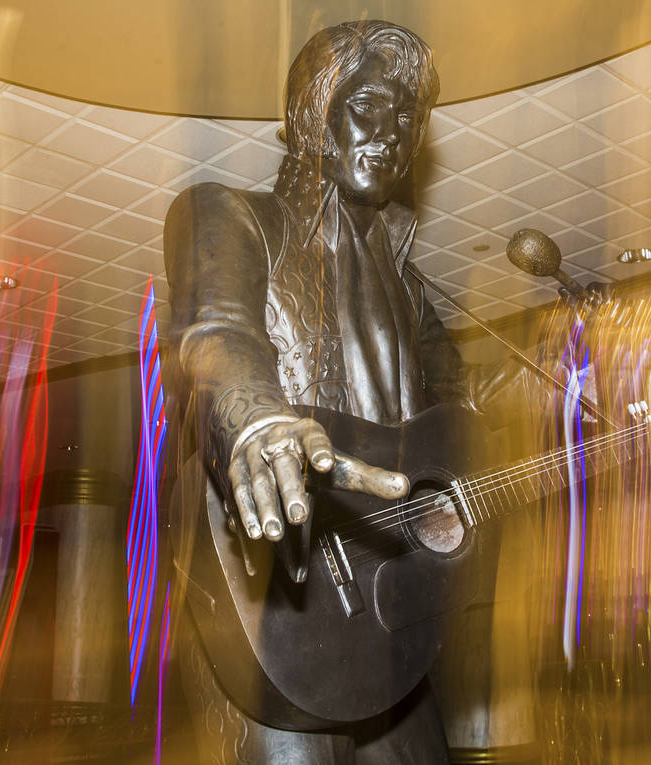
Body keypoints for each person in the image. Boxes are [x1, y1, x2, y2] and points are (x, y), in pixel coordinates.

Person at [164, 19, 471, 764]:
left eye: (408, 117)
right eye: (369, 106)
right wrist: (255, 422)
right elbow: (217, 335)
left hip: (390, 627)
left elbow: (463, 423)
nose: (393, 132)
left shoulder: (411, 285)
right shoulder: (234, 216)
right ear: (315, 116)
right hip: (269, 619)